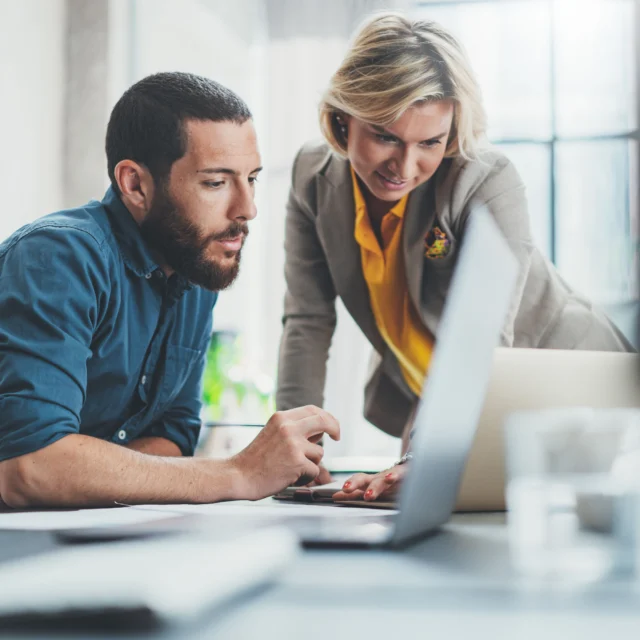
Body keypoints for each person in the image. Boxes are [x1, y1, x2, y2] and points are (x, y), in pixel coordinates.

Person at [275, 13, 632, 504]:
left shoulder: (485, 182)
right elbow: (307, 322)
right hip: (441, 402)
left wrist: (422, 457)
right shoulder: (311, 179)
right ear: (343, 118)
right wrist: (295, 452)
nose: (405, 166)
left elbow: (481, 346)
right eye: (385, 136)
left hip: (567, 387)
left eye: (430, 142)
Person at [0, 72, 339, 509]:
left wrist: (89, 472)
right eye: (216, 183)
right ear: (135, 185)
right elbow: (30, 466)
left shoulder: (192, 266)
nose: (247, 209)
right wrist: (239, 472)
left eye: (251, 178)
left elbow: (172, 437)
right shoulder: (58, 257)